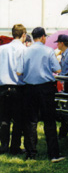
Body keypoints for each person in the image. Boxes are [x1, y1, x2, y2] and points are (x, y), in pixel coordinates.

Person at [16, 27, 65, 163]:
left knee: (30, 122)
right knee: (49, 121)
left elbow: (19, 72)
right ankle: (53, 154)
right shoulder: (48, 51)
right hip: (45, 88)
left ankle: (31, 154)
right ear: (43, 37)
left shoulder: (25, 51)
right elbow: (58, 69)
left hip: (29, 89)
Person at [0, 24, 26, 155]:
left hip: (3, 87)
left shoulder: (2, 49)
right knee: (18, 120)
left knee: (4, 118)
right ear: (23, 35)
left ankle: (3, 145)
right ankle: (15, 147)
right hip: (18, 88)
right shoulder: (24, 50)